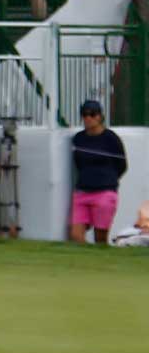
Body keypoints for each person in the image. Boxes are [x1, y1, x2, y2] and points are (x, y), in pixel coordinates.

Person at [70, 100, 127, 245]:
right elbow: (78, 162)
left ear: (100, 117)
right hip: (82, 191)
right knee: (76, 235)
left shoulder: (111, 139)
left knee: (100, 238)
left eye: (92, 114)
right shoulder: (79, 138)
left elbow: (122, 165)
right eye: (85, 115)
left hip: (104, 192)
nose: (88, 118)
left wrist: (109, 179)